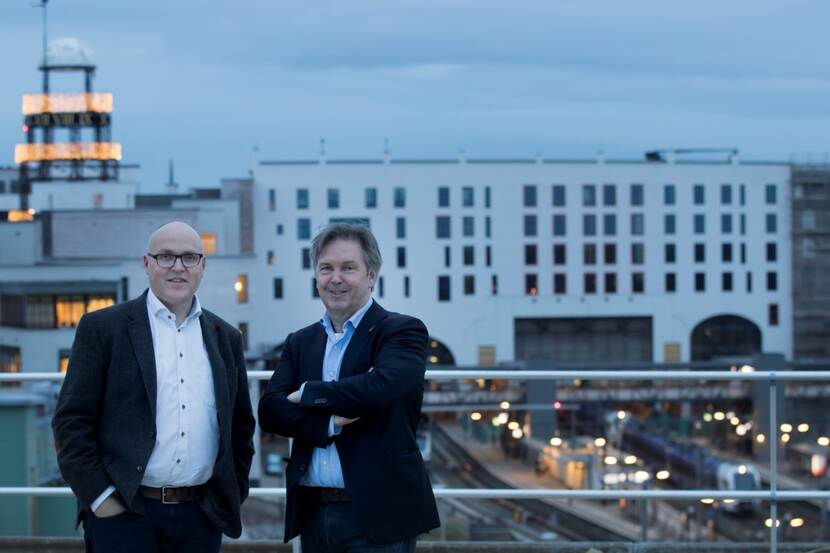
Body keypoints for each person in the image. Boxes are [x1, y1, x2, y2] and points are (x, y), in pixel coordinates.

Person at [52, 221, 255, 553]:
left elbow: (240, 427)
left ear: (202, 266)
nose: (178, 267)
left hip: (200, 516)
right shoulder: (103, 329)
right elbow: (70, 423)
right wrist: (101, 498)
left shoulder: (225, 337)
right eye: (166, 257)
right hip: (124, 514)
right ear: (147, 264)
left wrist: (229, 494)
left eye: (189, 257)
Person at [258, 223, 439, 553]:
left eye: (348, 268)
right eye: (326, 268)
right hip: (313, 513)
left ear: (371, 276)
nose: (335, 278)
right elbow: (270, 411)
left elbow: (377, 388)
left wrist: (309, 394)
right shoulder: (301, 342)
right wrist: (327, 421)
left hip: (378, 515)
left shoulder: (402, 331)